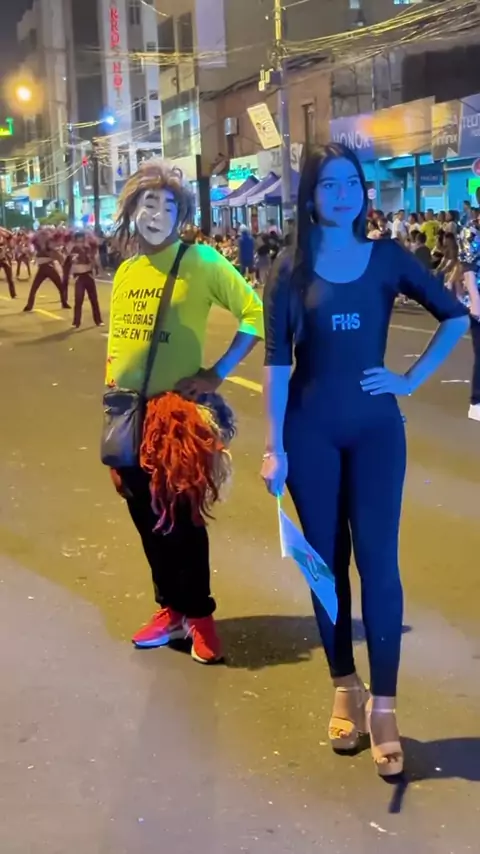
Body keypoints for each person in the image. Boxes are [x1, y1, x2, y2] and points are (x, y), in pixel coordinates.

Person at [261, 143, 469, 778]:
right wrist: (274, 447)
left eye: (351, 183)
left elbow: (455, 317)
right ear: (311, 195)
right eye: (329, 185)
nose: (343, 195)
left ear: (362, 191)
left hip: (377, 433)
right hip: (310, 435)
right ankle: (343, 686)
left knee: (379, 566)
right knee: (325, 568)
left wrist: (410, 380)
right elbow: (277, 363)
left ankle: (384, 707)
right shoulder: (288, 269)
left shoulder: (387, 258)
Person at [105, 160, 263, 662]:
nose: (157, 214)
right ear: (132, 210)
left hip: (176, 418)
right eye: (148, 203)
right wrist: (112, 414)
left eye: (168, 206)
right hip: (128, 415)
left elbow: (254, 313)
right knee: (146, 519)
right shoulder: (127, 271)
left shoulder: (200, 261)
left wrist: (217, 373)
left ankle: (200, 618)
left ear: (182, 214)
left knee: (181, 521)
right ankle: (170, 611)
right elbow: (118, 344)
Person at [23, 229, 70, 312]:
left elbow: (55, 252)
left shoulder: (45, 244)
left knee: (35, 287)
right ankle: (64, 302)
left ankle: (29, 305)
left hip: (46, 267)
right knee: (59, 286)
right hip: (46, 267)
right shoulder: (43, 244)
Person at [71, 231, 103, 329]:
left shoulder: (88, 249)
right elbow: (73, 261)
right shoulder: (74, 249)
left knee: (94, 299)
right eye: (78, 241)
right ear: (75, 241)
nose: (80, 243)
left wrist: (94, 263)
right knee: (78, 299)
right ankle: (76, 321)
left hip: (88, 276)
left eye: (82, 241)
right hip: (79, 277)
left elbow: (93, 261)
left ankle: (98, 320)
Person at [0, 232, 16, 298]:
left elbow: (10, 234)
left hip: (5, 260)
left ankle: (13, 294)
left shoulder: (5, 239)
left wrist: (1, 230)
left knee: (10, 278)